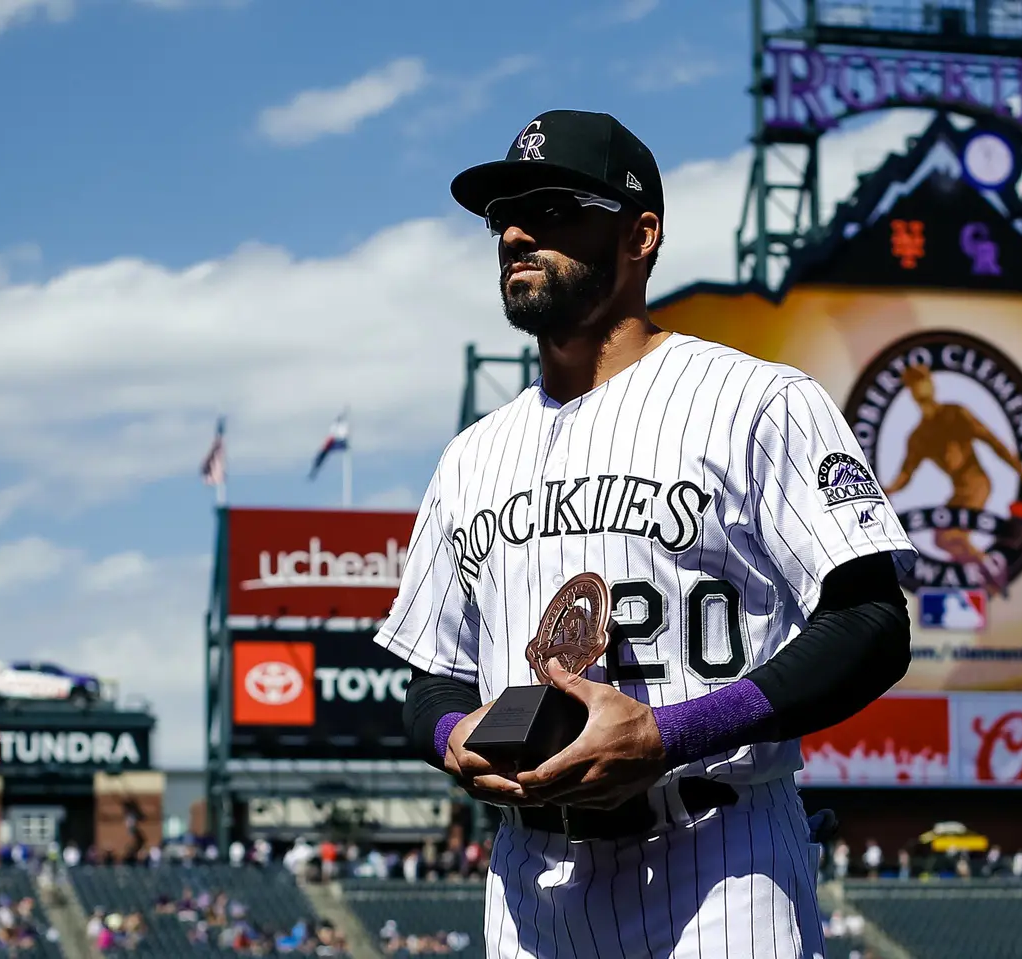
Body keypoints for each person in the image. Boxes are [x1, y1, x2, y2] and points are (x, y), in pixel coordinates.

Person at [375, 109, 917, 959]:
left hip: (717, 864)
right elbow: (431, 680)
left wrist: (672, 733)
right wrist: (456, 739)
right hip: (528, 884)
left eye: (551, 209)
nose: (515, 232)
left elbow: (870, 623)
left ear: (640, 234)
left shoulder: (757, 402)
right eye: (501, 217)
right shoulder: (470, 457)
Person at [880, 362, 1022, 595]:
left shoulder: (955, 413)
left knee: (950, 535)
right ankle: (986, 566)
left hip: (977, 483)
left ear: (930, 383)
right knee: (942, 538)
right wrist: (886, 490)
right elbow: (906, 473)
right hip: (959, 491)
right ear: (911, 391)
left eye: (922, 380)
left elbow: (994, 443)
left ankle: (989, 567)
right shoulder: (918, 437)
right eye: (914, 383)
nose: (920, 386)